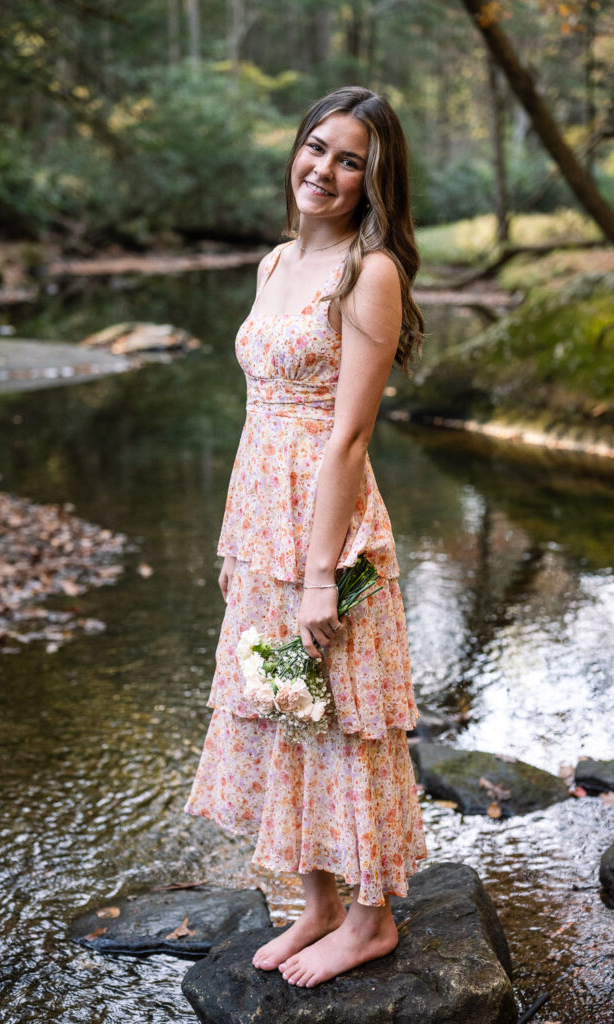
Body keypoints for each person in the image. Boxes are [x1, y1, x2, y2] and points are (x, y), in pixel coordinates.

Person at [184, 85, 427, 988]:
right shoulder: (275, 261)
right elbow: (258, 417)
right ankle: (317, 904)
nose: (323, 169)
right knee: (288, 708)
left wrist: (321, 573)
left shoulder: (370, 273)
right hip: (263, 525)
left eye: (349, 159)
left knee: (347, 717)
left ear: (373, 179)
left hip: (332, 534)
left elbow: (348, 436)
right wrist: (234, 545)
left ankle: (370, 920)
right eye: (316, 147)